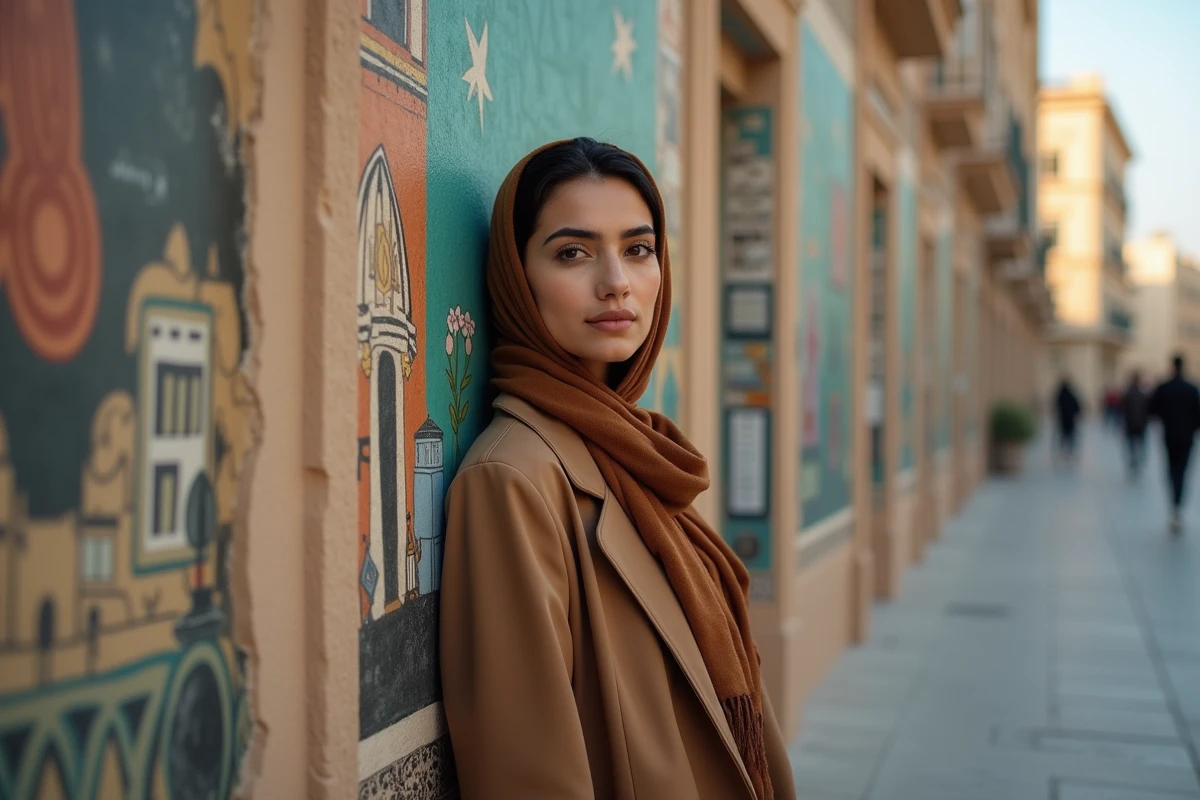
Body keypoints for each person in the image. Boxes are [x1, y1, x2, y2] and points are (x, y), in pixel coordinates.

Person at [440, 138, 794, 799]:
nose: (616, 282)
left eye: (638, 249)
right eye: (573, 252)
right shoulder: (513, 479)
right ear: (517, 279)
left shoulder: (639, 451)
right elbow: (528, 777)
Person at [1148, 354, 1200, 532]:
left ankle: (1174, 505)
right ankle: (1177, 506)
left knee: (1171, 470)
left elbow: (1153, 410)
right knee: (1182, 471)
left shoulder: (1164, 387)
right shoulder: (1192, 389)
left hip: (1169, 436)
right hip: (1186, 437)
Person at [1121, 370, 1151, 479]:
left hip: (1131, 423)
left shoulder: (1128, 394)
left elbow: (1123, 409)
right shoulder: (1142, 394)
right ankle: (1138, 459)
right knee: (1140, 442)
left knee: (1131, 443)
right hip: (1140, 424)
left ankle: (1134, 460)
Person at [1054, 378, 1083, 466]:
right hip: (1070, 420)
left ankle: (1063, 451)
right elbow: (1077, 406)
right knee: (1071, 436)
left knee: (1063, 436)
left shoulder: (1059, 395)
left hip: (1062, 419)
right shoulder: (1071, 395)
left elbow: (1056, 406)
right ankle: (1071, 452)